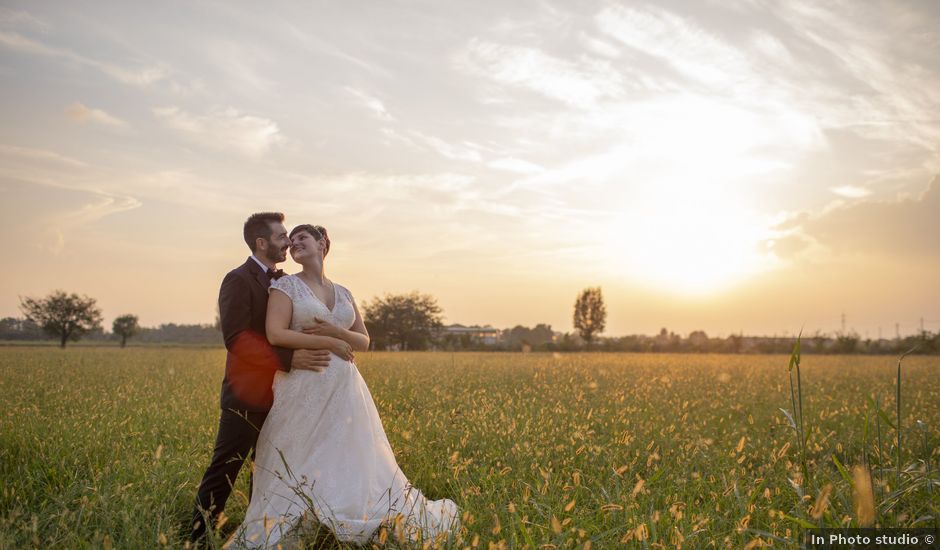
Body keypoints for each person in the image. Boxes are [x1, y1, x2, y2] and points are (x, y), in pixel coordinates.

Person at [230, 224, 459, 547]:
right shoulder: (287, 287)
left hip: (346, 387)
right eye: (291, 241)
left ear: (322, 243)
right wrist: (328, 341)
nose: (294, 244)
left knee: (348, 453)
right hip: (303, 383)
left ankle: (348, 512)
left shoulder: (345, 292)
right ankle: (301, 518)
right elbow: (275, 334)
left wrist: (338, 335)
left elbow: (363, 341)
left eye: (302, 238)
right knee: (303, 453)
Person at [190, 213, 334, 543]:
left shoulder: (286, 281)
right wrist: (289, 358)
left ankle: (258, 535)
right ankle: (196, 538)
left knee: (268, 471)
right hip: (247, 394)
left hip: (286, 396)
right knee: (225, 468)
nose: (287, 241)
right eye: (282, 236)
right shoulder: (238, 279)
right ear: (261, 242)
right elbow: (237, 339)